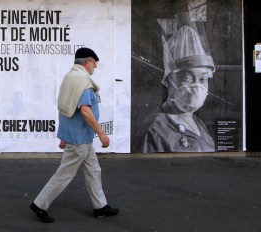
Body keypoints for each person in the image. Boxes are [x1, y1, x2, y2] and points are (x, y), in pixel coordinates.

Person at [29, 47, 119, 223]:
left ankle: (100, 207)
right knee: (64, 174)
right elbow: (85, 111)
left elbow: (63, 107)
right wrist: (101, 134)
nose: (95, 66)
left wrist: (63, 135)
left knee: (94, 170)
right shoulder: (83, 81)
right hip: (79, 140)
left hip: (81, 137)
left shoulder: (69, 77)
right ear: (87, 62)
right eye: (94, 63)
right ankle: (39, 205)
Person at [136, 25, 216, 152]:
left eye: (202, 79)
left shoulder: (198, 123)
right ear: (168, 80)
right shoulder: (155, 130)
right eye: (187, 79)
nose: (196, 86)